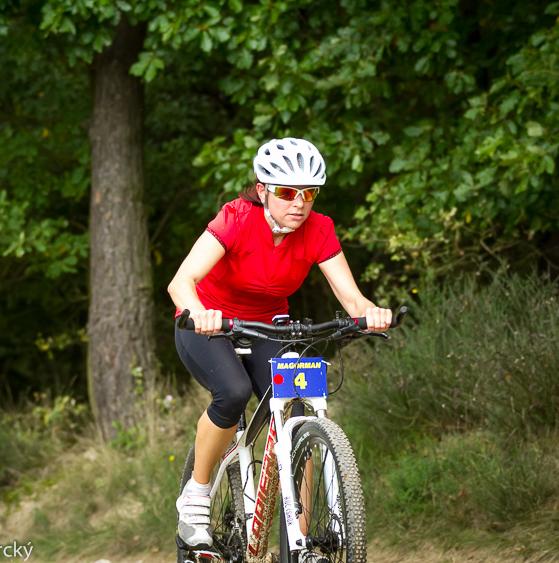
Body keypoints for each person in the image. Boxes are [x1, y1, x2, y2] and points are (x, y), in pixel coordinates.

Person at [167, 137, 392, 549]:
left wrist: (371, 312)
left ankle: (299, 539)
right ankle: (196, 497)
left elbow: (352, 298)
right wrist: (198, 312)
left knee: (297, 408)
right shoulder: (235, 219)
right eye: (287, 192)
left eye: (308, 193)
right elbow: (181, 282)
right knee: (232, 392)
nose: (299, 202)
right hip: (208, 323)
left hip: (270, 326)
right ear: (262, 189)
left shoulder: (319, 230)